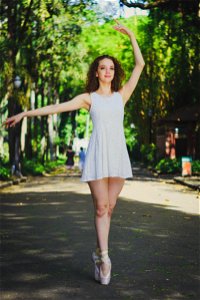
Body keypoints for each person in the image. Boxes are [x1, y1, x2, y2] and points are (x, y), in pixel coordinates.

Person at [4, 20, 145, 285]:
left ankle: (96, 252)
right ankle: (104, 257)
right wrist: (25, 113)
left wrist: (132, 36)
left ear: (115, 72)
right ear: (96, 72)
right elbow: (55, 108)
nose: (107, 71)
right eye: (103, 67)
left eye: (111, 68)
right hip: (97, 155)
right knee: (101, 208)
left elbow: (141, 66)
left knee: (111, 207)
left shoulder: (122, 96)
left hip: (117, 155)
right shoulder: (88, 98)